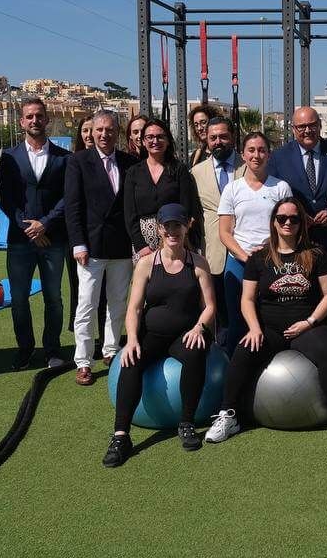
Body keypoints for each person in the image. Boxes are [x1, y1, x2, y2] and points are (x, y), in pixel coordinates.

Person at [205, 199, 327, 446]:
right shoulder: (260, 258)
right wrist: (254, 328)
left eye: (294, 219)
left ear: (301, 223)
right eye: (282, 218)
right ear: (274, 222)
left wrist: (309, 322)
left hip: (306, 327)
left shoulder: (316, 254)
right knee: (243, 351)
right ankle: (228, 415)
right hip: (269, 329)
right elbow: (247, 298)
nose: (287, 223)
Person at [104, 203, 217, 467]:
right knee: (130, 361)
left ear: (187, 226)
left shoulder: (198, 263)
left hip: (186, 333)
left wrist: (199, 327)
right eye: (167, 226)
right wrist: (131, 339)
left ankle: (186, 422)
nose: (172, 231)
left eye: (177, 225)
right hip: (152, 333)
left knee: (196, 352)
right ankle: (121, 435)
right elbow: (134, 307)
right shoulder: (146, 264)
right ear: (159, 229)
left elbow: (210, 306)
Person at [0, 98, 71, 371]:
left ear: (47, 119)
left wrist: (45, 224)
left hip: (53, 240)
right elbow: (5, 197)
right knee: (18, 299)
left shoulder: (64, 158)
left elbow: (67, 197)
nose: (34, 121)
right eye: (29, 117)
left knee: (54, 297)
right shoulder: (9, 157)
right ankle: (25, 349)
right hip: (20, 241)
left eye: (39, 116)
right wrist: (28, 228)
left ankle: (52, 349)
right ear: (21, 121)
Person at [65, 109, 137, 386]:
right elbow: (73, 207)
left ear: (117, 133)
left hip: (121, 246)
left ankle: (110, 350)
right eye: (99, 130)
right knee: (86, 304)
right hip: (91, 247)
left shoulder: (130, 163)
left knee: (118, 301)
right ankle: (83, 360)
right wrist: (78, 243)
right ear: (91, 133)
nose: (104, 135)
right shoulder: (78, 162)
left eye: (109, 130)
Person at [217, 132, 292, 353]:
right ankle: (235, 370)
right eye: (251, 150)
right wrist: (248, 257)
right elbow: (225, 233)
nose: (256, 155)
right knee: (237, 322)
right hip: (239, 264)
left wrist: (268, 252)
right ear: (243, 154)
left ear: (269, 155)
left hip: (273, 262)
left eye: (261, 150)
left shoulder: (281, 188)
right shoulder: (232, 189)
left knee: (269, 319)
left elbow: (287, 227)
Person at [190, 116, 243, 347]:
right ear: (207, 141)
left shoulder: (248, 165)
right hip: (212, 255)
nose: (218, 142)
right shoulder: (196, 172)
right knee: (219, 316)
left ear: (232, 137)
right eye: (213, 138)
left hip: (245, 252)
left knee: (244, 312)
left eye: (223, 136)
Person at [270, 106, 327, 256]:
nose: (307, 130)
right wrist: (297, 213)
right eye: (301, 126)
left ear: (319, 125)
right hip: (294, 238)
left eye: (312, 125)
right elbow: (272, 195)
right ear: (293, 129)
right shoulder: (279, 157)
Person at [123, 116, 203, 258]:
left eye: (160, 137)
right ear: (143, 141)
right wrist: (141, 246)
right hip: (143, 244)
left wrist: (179, 239)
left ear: (167, 140)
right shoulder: (133, 172)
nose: (155, 141)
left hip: (174, 239)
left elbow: (187, 208)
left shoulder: (179, 170)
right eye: (150, 137)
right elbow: (130, 214)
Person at [67, 114, 94, 333]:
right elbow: (69, 202)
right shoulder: (73, 161)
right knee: (81, 292)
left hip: (101, 237)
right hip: (78, 237)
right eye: (85, 130)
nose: (89, 134)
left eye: (92, 129)